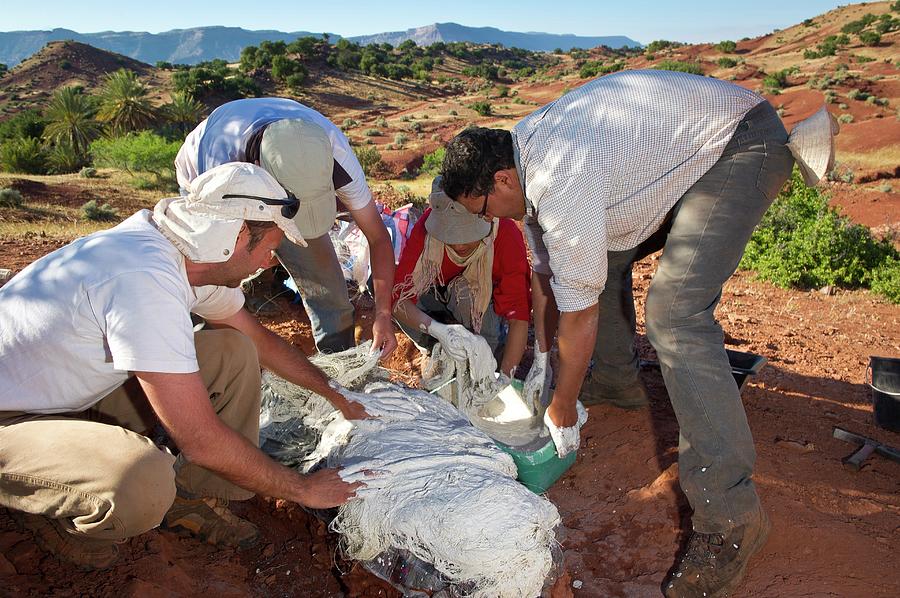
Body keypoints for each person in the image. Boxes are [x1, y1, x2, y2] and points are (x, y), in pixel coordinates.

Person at [439, 70, 835, 597]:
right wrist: (540, 355)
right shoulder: (522, 156)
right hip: (685, 155)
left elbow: (577, 313)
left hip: (740, 145)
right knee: (588, 265)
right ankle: (616, 387)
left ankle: (731, 519)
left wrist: (561, 402)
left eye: (484, 210)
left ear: (503, 182)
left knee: (675, 313)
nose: (490, 222)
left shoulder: (559, 182)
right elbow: (548, 276)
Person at [0, 163, 382, 570]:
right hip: (12, 419)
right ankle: (61, 514)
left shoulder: (184, 257)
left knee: (232, 350)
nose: (271, 262)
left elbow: (258, 341)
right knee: (142, 483)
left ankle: (195, 493)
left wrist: (333, 392)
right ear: (235, 237)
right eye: (270, 248)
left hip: (58, 395)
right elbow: (200, 439)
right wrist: (304, 489)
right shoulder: (145, 280)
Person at [176, 97, 397, 358]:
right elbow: (212, 255)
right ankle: (211, 360)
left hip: (272, 178)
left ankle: (340, 363)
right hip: (214, 188)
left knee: (329, 290)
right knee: (214, 279)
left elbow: (378, 237)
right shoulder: (221, 165)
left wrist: (383, 313)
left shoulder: (335, 153)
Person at [392, 176, 530, 379]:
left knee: (464, 294)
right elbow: (398, 299)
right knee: (380, 286)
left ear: (486, 217)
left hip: (479, 303)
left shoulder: (505, 234)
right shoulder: (426, 230)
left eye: (467, 235)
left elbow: (519, 316)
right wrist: (437, 330)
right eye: (450, 235)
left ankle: (484, 346)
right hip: (435, 296)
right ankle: (433, 347)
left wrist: (506, 378)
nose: (459, 246)